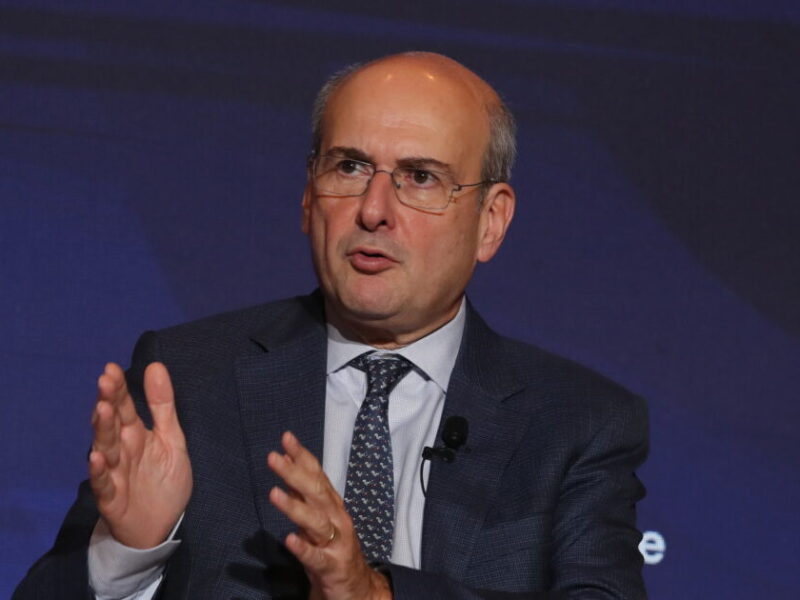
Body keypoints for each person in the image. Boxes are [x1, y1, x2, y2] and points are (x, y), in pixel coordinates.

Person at [14, 52, 648, 599]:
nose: (373, 210)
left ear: (490, 221)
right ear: (307, 196)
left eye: (420, 177)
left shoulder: (576, 423)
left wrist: (375, 593)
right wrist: (129, 550)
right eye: (348, 167)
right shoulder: (189, 379)